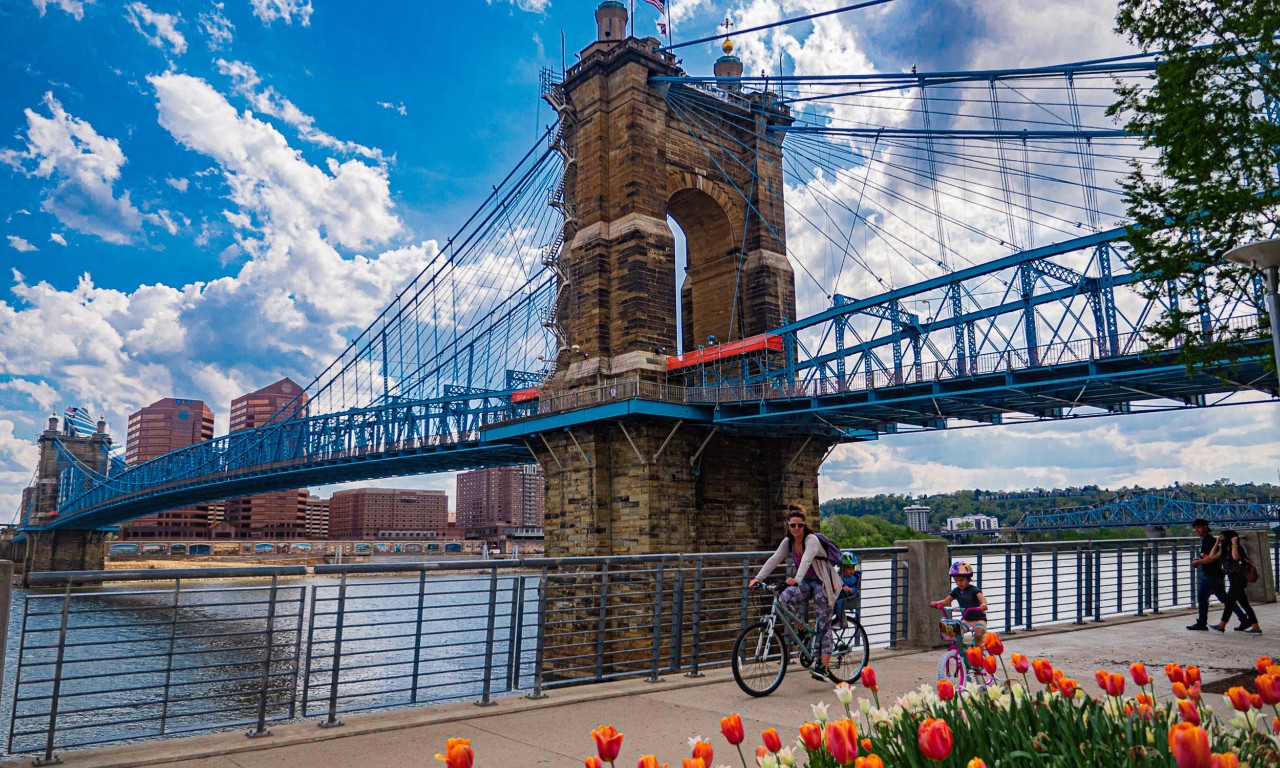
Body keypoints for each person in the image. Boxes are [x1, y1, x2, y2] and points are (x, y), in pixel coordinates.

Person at [749, 504, 841, 682]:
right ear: (788, 526)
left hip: (823, 582)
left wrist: (796, 579)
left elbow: (806, 561)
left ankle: (824, 667)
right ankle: (803, 630)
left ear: (804, 525)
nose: (796, 529)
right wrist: (758, 578)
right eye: (793, 525)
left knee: (824, 624)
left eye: (800, 525)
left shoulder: (811, 539)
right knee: (784, 598)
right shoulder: (788, 542)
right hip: (807, 582)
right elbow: (774, 559)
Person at [1187, 518, 1248, 631]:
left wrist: (1198, 562)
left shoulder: (1208, 540)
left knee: (1202, 597)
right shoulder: (1208, 540)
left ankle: (1201, 623)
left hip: (1211, 575)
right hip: (1217, 575)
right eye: (1195, 528)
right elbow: (1208, 556)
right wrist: (1200, 559)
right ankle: (1244, 619)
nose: (1196, 530)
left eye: (1199, 527)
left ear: (1205, 528)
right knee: (1226, 599)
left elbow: (1211, 558)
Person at [1211, 530, 1262, 635]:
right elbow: (1212, 556)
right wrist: (1217, 543)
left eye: (1222, 536)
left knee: (1229, 603)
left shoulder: (1237, 548)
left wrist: (1234, 543)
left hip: (1238, 579)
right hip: (1233, 580)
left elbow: (1235, 558)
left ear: (1229, 537)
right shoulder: (1224, 549)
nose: (1220, 537)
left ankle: (1221, 626)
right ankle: (1256, 627)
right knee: (1245, 604)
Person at [931, 561, 988, 643]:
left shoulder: (974, 589)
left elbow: (981, 598)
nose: (958, 583)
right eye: (956, 580)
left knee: (978, 635)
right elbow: (946, 601)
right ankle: (960, 652)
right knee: (955, 633)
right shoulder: (956, 591)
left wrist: (983, 604)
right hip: (966, 620)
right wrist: (936, 603)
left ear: (968, 578)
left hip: (979, 619)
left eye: (961, 580)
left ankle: (979, 653)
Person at [833, 551, 860, 624]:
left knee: (838, 603)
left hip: (846, 597)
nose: (852, 570)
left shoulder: (854, 579)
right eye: (849, 568)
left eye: (853, 568)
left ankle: (840, 620)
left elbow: (855, 589)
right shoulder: (839, 576)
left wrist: (850, 589)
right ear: (842, 568)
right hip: (837, 595)